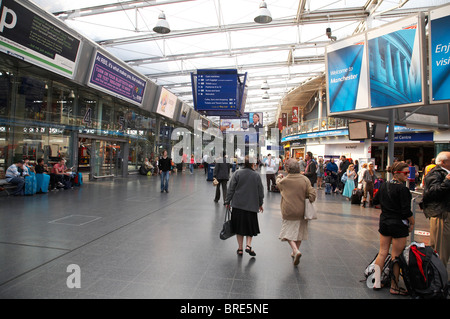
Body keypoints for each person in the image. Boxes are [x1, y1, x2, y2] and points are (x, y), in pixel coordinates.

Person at [372, 162, 415, 295]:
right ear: (397, 173)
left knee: (382, 252)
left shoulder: (384, 185)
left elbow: (375, 201)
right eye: (406, 173)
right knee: (396, 255)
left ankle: (377, 281)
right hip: (398, 224)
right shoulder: (403, 190)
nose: (408, 176)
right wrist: (412, 222)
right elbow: (406, 211)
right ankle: (394, 285)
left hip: (384, 221)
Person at [276, 159, 316, 266]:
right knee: (300, 232)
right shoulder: (305, 179)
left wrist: (279, 177)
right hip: (302, 210)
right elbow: (312, 193)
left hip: (288, 210)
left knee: (287, 233)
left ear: (287, 169)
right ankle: (295, 252)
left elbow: (278, 184)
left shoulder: (285, 181)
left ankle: (295, 250)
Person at [225, 156, 264, 257]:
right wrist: (260, 203)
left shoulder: (237, 173)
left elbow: (231, 189)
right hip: (251, 206)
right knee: (250, 227)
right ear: (252, 164)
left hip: (238, 205)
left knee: (239, 228)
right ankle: (248, 246)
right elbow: (260, 191)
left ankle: (240, 248)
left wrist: (227, 201)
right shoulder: (256, 176)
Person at [422, 151, 450, 269]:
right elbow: (431, 193)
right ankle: (438, 278)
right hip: (441, 214)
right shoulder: (436, 174)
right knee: (440, 248)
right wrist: (447, 181)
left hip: (445, 212)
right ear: (443, 162)